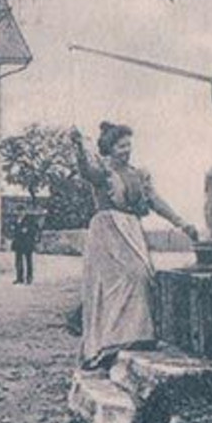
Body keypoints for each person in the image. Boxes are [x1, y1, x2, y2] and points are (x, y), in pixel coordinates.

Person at [72, 122, 199, 370]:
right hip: (107, 231)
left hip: (131, 229)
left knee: (142, 276)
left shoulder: (138, 174)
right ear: (109, 148)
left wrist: (182, 223)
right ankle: (108, 343)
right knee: (114, 285)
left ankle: (135, 337)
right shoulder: (103, 171)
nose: (126, 150)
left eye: (129, 145)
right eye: (121, 146)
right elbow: (86, 170)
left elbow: (156, 202)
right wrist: (78, 146)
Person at [12, 208, 43, 285]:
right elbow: (13, 230)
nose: (20, 213)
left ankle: (29, 278)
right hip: (18, 243)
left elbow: (35, 229)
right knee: (18, 261)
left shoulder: (30, 220)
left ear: (25, 211)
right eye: (19, 211)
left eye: (22, 211)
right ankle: (19, 278)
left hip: (27, 243)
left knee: (28, 261)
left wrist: (28, 230)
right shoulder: (16, 220)